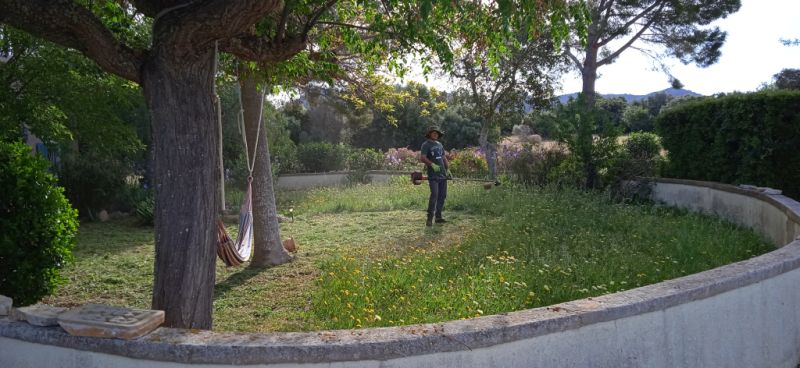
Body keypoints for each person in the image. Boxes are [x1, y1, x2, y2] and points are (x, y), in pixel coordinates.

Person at [419, 126, 452, 226]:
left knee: (442, 196)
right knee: (434, 195)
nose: (436, 134)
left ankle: (438, 217)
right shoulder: (426, 145)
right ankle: (429, 218)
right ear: (429, 134)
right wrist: (432, 164)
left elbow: (444, 157)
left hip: (442, 174)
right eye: (434, 133)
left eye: (437, 133)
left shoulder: (439, 144)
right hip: (433, 175)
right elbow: (423, 158)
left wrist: (448, 169)